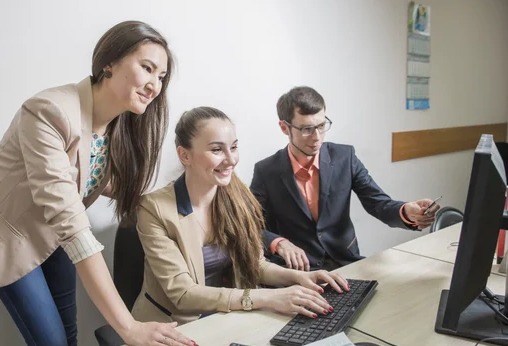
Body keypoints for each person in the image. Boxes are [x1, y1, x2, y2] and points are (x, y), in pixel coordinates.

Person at [0, 21, 195, 346]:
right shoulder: (48, 111)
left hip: (53, 237)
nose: (155, 84)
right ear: (109, 62)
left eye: (162, 76)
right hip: (11, 239)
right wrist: (128, 326)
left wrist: (182, 199)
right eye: (147, 68)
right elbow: (73, 224)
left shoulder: (118, 124)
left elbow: (99, 180)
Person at [131, 106, 350, 325]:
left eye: (233, 147)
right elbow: (183, 294)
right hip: (169, 325)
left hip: (223, 316)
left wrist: (300, 277)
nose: (231, 160)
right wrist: (269, 297)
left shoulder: (237, 196)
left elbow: (256, 265)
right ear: (184, 155)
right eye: (217, 150)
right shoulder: (154, 208)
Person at [250, 86, 439, 272]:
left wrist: (407, 211)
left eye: (322, 125)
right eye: (307, 129)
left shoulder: (344, 157)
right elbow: (248, 226)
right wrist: (278, 243)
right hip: (298, 271)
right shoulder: (266, 171)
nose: (317, 137)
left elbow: (378, 203)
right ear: (284, 127)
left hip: (345, 262)